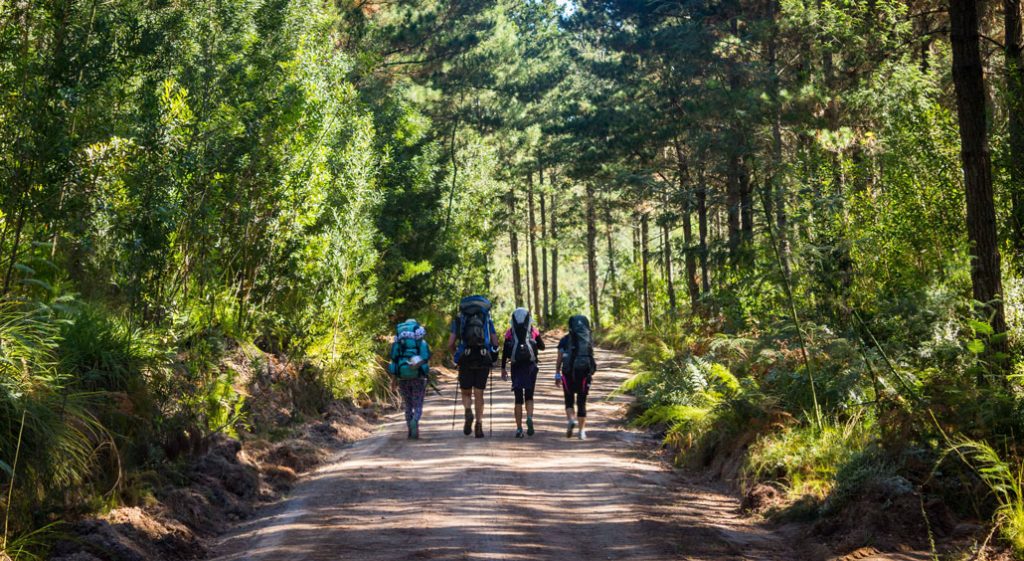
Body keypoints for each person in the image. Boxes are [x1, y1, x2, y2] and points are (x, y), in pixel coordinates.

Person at [448, 295, 498, 438]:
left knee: (466, 392)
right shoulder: (487, 320)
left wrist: (456, 356)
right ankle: (479, 425)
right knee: (479, 394)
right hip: (483, 357)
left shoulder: (458, 320)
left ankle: (468, 410)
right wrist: (493, 357)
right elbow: (495, 342)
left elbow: (450, 343)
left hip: (465, 357)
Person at [501, 308, 545, 438]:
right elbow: (542, 347)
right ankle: (530, 417)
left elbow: (505, 352)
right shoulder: (533, 330)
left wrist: (503, 368)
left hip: (516, 366)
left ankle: (519, 429)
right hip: (530, 366)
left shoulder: (510, 332)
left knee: (518, 398)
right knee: (529, 395)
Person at [387, 318, 431, 439]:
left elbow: (394, 360)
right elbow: (426, 357)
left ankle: (409, 430)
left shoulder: (398, 344)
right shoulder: (420, 342)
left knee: (408, 404)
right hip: (418, 377)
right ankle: (415, 420)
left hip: (402, 377)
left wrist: (393, 381)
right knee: (418, 403)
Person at [555, 315, 596, 440]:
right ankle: (581, 431)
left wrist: (557, 373)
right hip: (584, 373)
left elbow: (560, 358)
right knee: (581, 402)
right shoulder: (588, 339)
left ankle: (571, 420)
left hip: (568, 374)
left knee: (569, 400)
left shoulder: (564, 340)